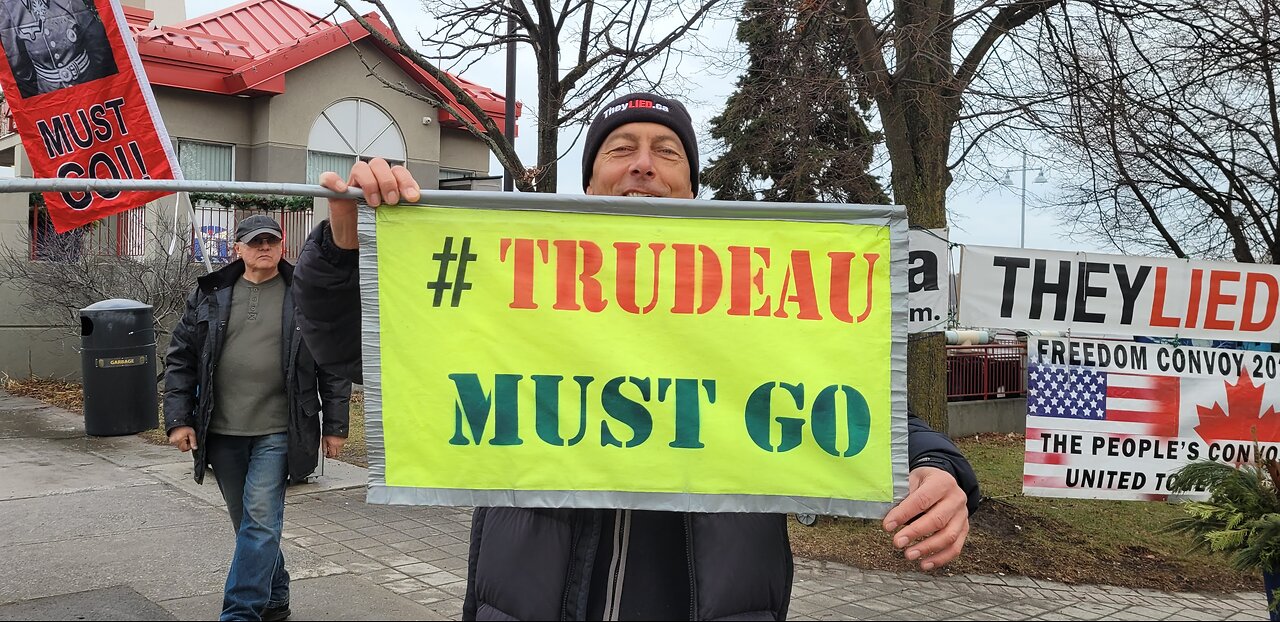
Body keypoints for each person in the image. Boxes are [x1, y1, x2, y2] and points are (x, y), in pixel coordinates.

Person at [294, 92, 981, 621]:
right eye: (621, 148)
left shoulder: (755, 299)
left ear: (691, 190)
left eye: (667, 151)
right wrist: (346, 246)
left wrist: (937, 467)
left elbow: (855, 397)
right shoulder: (509, 293)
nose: (643, 163)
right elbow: (351, 350)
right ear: (591, 182)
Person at [164, 215, 353, 622]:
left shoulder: (303, 293)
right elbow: (181, 358)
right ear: (238, 248)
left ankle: (240, 613)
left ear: (283, 245)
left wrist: (336, 426)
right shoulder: (211, 293)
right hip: (222, 429)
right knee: (250, 525)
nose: (263, 247)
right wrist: (179, 419)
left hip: (281, 429)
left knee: (261, 521)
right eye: (254, 242)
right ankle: (276, 596)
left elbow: (331, 361)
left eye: (271, 240)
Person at [0, 0, 117, 98]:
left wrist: (98, 85)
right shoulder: (7, 6)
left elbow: (97, 41)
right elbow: (17, 66)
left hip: (89, 85)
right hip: (48, 95)